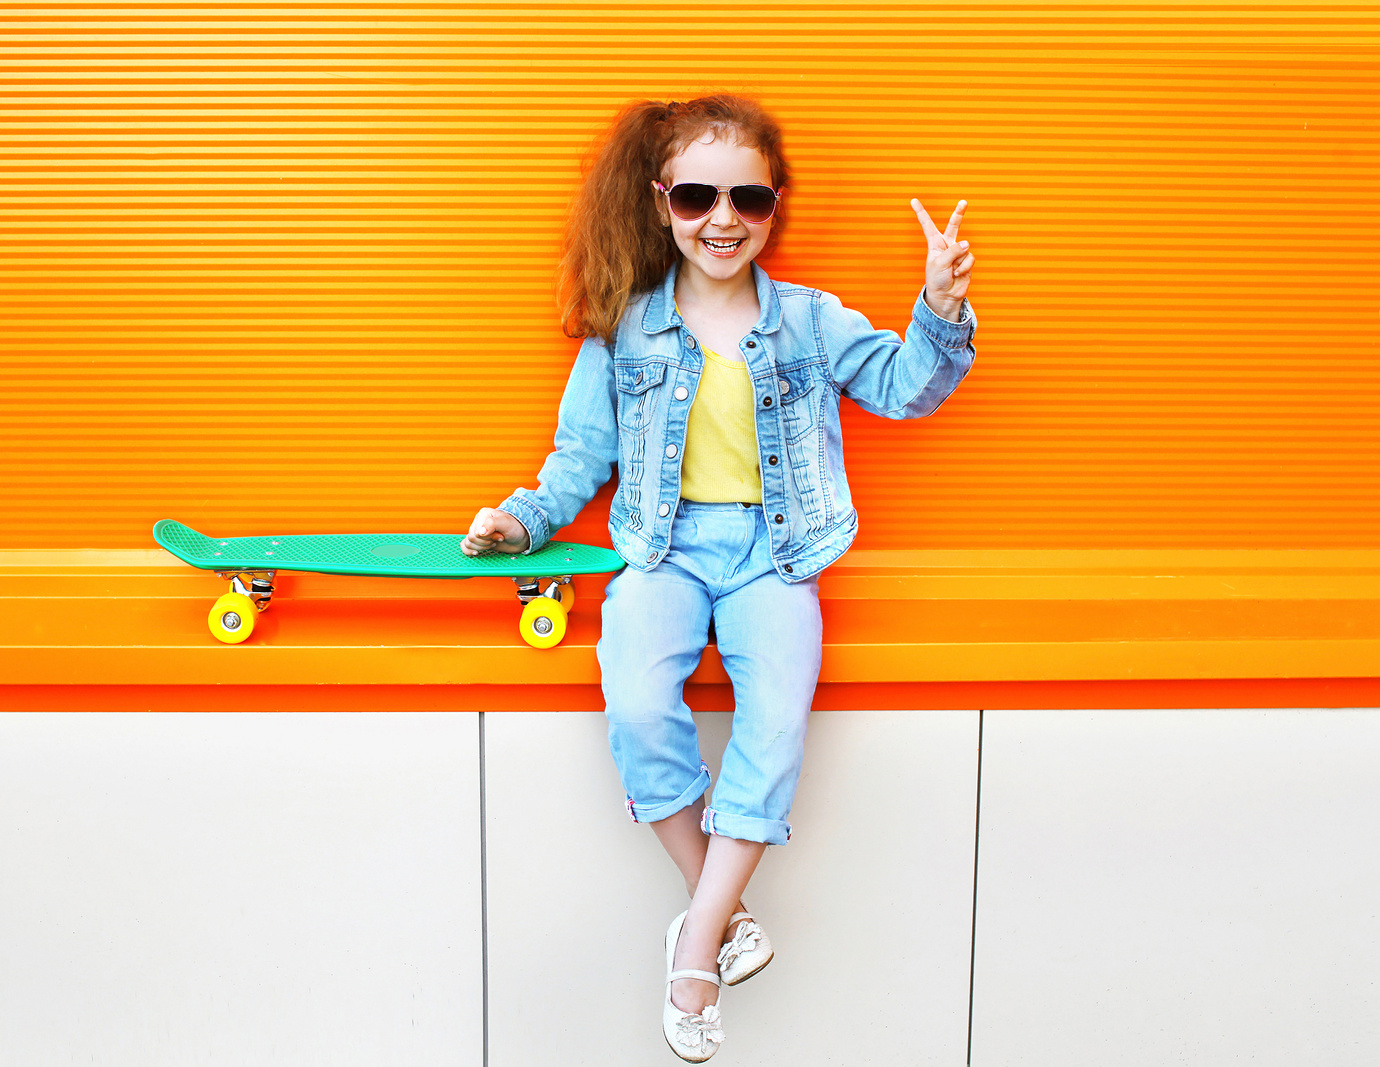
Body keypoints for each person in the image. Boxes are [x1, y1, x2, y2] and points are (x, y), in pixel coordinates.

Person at [461, 94, 976, 1062]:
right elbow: (580, 455)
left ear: (775, 205)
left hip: (776, 553)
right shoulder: (626, 330)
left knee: (776, 723)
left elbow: (906, 388)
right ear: (662, 203)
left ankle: (695, 945)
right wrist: (521, 519)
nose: (722, 218)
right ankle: (724, 913)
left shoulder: (813, 323)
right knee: (639, 702)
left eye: (748, 197)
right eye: (697, 195)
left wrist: (939, 309)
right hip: (662, 547)